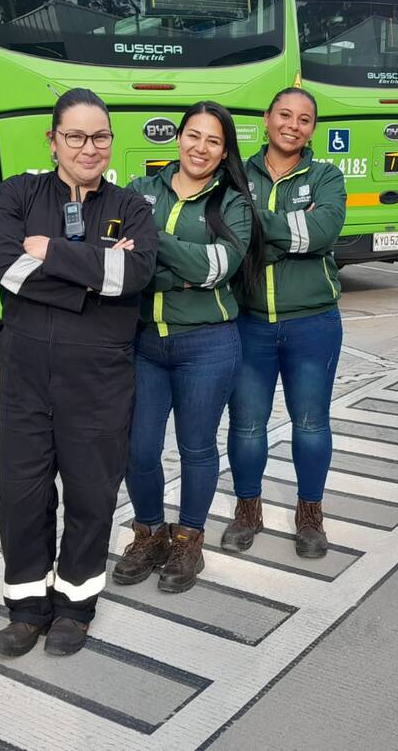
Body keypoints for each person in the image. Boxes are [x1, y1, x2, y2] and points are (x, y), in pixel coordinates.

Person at [0, 88, 157, 657]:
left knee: (90, 496)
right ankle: (26, 608)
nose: (89, 147)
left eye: (100, 136)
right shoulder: (18, 194)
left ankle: (75, 608)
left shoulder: (133, 207)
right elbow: (4, 266)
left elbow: (133, 276)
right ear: (53, 141)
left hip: (99, 379)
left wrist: (51, 252)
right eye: (75, 136)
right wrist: (93, 279)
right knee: (22, 496)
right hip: (26, 378)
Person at [113, 102, 263, 593]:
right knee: (138, 448)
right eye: (193, 136)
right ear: (178, 138)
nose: (201, 148)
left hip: (208, 344)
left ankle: (187, 542)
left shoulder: (233, 203)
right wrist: (177, 269)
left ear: (224, 151)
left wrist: (153, 243)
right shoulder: (140, 189)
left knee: (196, 447)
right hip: (144, 343)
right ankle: (150, 535)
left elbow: (216, 268)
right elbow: (122, 264)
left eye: (213, 141)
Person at [222, 86, 346, 559]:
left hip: (313, 324)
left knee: (311, 424)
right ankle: (247, 510)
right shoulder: (236, 174)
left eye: (304, 119)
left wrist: (258, 226)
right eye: (285, 115)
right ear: (267, 118)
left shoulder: (327, 175)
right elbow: (229, 235)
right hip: (248, 323)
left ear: (313, 129)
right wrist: (293, 229)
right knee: (246, 425)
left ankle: (310, 515)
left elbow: (324, 231)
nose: (293, 125)